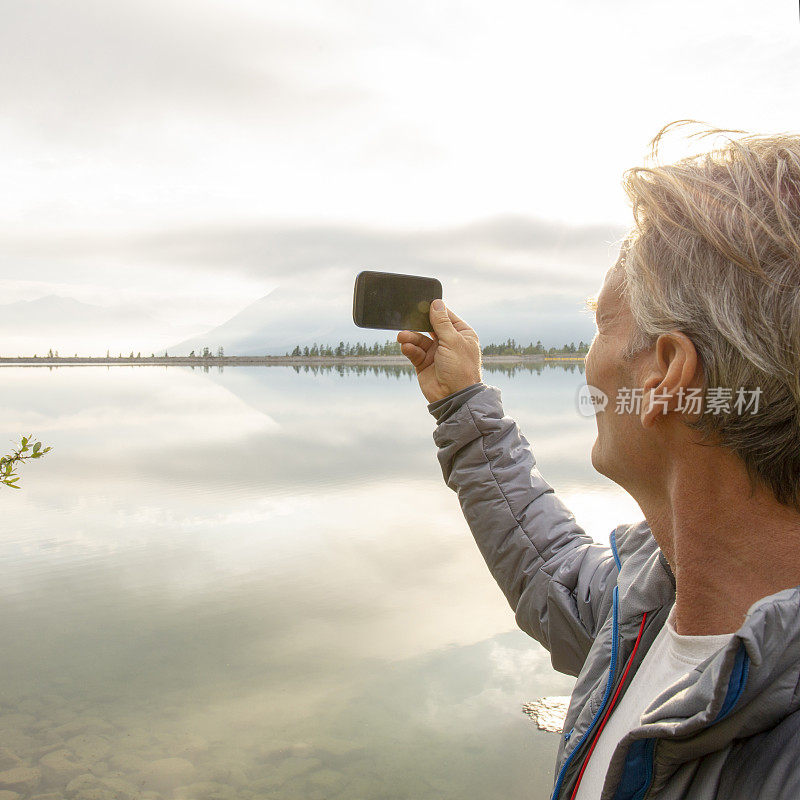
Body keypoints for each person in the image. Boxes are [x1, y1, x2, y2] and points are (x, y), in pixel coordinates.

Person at [397, 122, 800, 800]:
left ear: (667, 373)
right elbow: (550, 571)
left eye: (602, 322)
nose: (589, 366)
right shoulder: (649, 605)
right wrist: (462, 402)